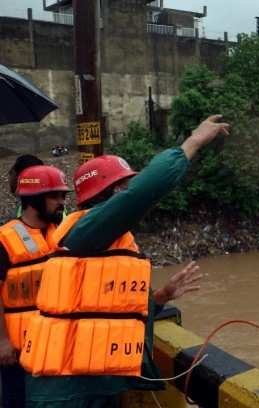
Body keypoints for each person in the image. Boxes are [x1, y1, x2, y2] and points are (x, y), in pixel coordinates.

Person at [18, 115, 229, 408]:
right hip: (66, 391)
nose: (132, 188)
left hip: (92, 383)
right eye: (127, 184)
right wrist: (192, 142)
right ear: (112, 192)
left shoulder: (100, 238)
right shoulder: (86, 230)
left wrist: (161, 297)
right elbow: (140, 195)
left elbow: (99, 307)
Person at [0, 165, 72, 408]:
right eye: (55, 196)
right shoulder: (4, 239)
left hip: (58, 343)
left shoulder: (64, 233)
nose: (62, 201)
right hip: (18, 351)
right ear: (32, 200)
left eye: (63, 195)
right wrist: (2, 341)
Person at [3, 155, 45, 224]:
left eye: (12, 174)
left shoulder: (44, 211)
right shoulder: (24, 204)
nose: (9, 179)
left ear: (22, 177)